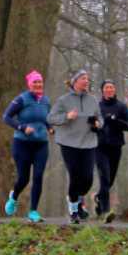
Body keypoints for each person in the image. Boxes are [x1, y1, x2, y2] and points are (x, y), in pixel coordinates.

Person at [46, 69, 101, 224]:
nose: (86, 81)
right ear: (75, 82)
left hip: (89, 142)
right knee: (75, 176)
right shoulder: (64, 100)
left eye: (88, 79)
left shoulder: (93, 100)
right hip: (69, 143)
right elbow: (50, 118)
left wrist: (98, 123)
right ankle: (73, 211)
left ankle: (76, 199)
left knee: (88, 178)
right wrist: (67, 117)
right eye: (83, 78)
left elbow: (100, 117)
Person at [1, 70, 51, 223]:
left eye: (40, 82)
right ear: (29, 84)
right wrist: (22, 128)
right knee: (24, 178)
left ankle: (33, 211)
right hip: (22, 143)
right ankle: (14, 197)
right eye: (35, 82)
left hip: (41, 144)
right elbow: (6, 117)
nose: (38, 85)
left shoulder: (46, 101)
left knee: (38, 176)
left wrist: (50, 128)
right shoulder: (21, 99)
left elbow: (45, 118)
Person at [95, 80, 128, 222]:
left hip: (116, 146)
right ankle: (105, 211)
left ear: (115, 90)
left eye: (112, 87)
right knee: (104, 177)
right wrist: (96, 125)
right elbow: (90, 124)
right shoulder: (97, 106)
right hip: (99, 146)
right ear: (102, 90)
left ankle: (99, 198)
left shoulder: (121, 107)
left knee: (109, 180)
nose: (109, 89)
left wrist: (115, 121)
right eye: (107, 87)